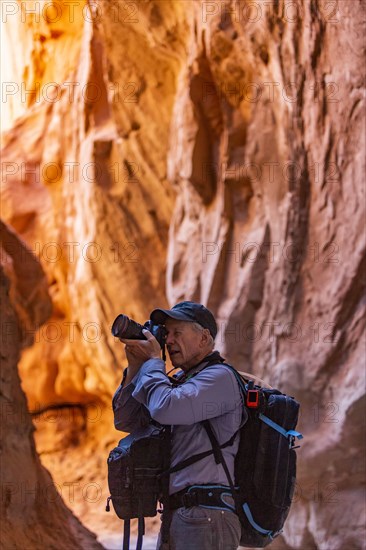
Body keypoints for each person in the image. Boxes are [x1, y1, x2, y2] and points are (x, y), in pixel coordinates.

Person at [112, 301, 246, 550]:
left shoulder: (220, 378)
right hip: (181, 515)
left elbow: (165, 408)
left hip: (207, 516)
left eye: (177, 333)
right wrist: (135, 368)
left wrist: (153, 362)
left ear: (204, 337)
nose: (169, 340)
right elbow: (126, 420)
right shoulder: (178, 382)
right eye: (166, 333)